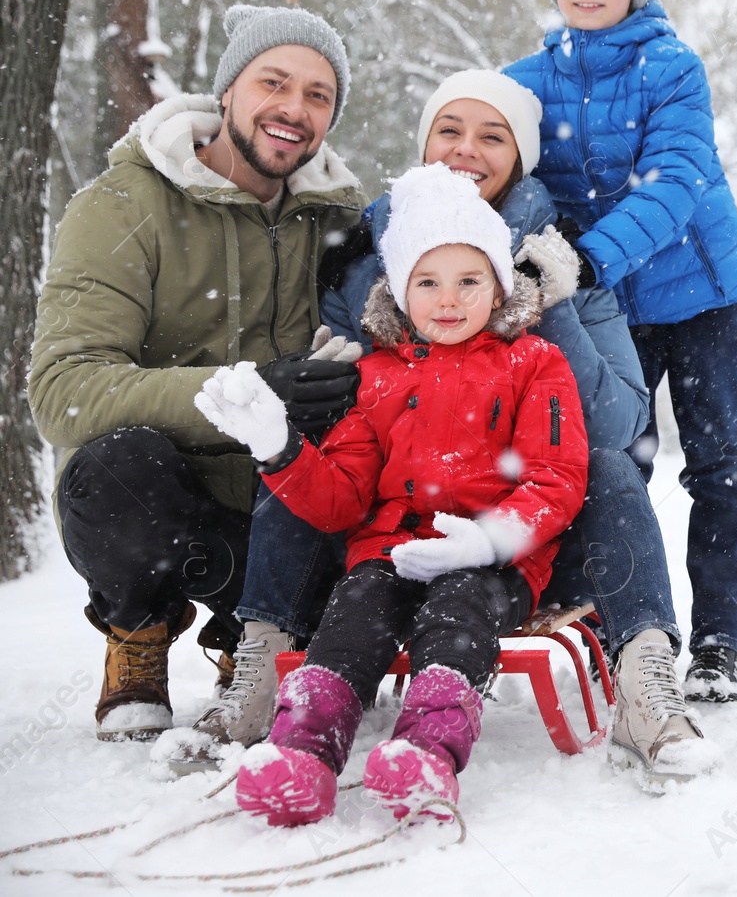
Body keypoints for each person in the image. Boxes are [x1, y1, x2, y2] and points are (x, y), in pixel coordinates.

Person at [196, 70, 713, 783]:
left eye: (491, 135)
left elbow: (617, 424)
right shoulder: (360, 255)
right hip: (383, 532)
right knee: (297, 448)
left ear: (520, 157)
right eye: (450, 130)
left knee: (611, 467)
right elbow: (348, 451)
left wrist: (550, 302)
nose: (467, 149)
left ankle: (644, 672)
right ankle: (264, 667)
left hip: (518, 539)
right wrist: (313, 399)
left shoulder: (563, 259)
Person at [197, 166, 594, 824]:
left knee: (458, 610)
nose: (448, 299)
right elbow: (341, 500)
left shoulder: (532, 362)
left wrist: (492, 538)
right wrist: (280, 448)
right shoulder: (375, 376)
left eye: (470, 280)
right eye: (428, 281)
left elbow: (557, 476)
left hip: (490, 558)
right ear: (401, 291)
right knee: (354, 609)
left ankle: (426, 751)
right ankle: (303, 753)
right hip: (389, 551)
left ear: (498, 284)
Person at [28, 5, 365, 742]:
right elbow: (63, 389)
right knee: (118, 466)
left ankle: (246, 638)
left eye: (318, 94)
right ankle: (138, 632)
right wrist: (248, 389)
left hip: (289, 502)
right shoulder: (125, 204)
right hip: (167, 496)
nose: (293, 109)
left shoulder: (339, 220)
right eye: (272, 82)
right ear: (226, 92)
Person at [505, 0, 737, 702]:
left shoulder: (674, 69)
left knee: (714, 462)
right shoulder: (526, 83)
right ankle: (625, 625)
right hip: (607, 310)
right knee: (612, 464)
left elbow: (674, 181)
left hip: (695, 297)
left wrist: (584, 256)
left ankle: (717, 635)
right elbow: (483, 168)